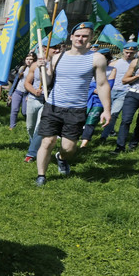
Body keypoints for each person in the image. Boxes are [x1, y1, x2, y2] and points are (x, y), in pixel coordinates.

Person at [34, 22, 110, 186]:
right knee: (47, 141)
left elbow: (102, 84)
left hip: (76, 110)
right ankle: (41, 176)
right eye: (78, 35)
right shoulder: (57, 57)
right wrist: (42, 69)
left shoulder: (96, 58)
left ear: (90, 38)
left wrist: (107, 110)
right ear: (71, 37)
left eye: (85, 36)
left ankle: (61, 158)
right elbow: (47, 81)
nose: (80, 39)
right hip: (53, 105)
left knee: (68, 148)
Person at [111, 39, 139, 154]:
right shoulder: (137, 62)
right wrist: (138, 75)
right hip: (133, 95)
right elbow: (124, 80)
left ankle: (133, 145)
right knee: (125, 120)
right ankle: (119, 147)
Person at [100, 41, 138, 142]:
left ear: (135, 53)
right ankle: (108, 130)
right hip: (110, 91)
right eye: (127, 52)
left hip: (124, 92)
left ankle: (103, 136)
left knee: (114, 113)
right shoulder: (114, 63)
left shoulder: (136, 64)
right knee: (103, 112)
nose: (129, 54)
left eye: (131, 53)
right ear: (123, 51)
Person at [80, 48, 116, 147]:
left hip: (99, 99)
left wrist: (100, 90)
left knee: (92, 119)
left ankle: (84, 142)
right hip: (86, 96)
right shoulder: (90, 68)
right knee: (81, 118)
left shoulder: (112, 70)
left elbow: (110, 84)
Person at [8, 53, 35, 130]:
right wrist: (11, 93)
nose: (28, 61)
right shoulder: (22, 68)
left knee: (24, 112)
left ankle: (30, 125)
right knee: (14, 110)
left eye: (30, 59)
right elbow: (16, 81)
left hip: (27, 93)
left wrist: (30, 94)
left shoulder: (35, 70)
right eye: (27, 59)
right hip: (18, 91)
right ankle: (12, 126)